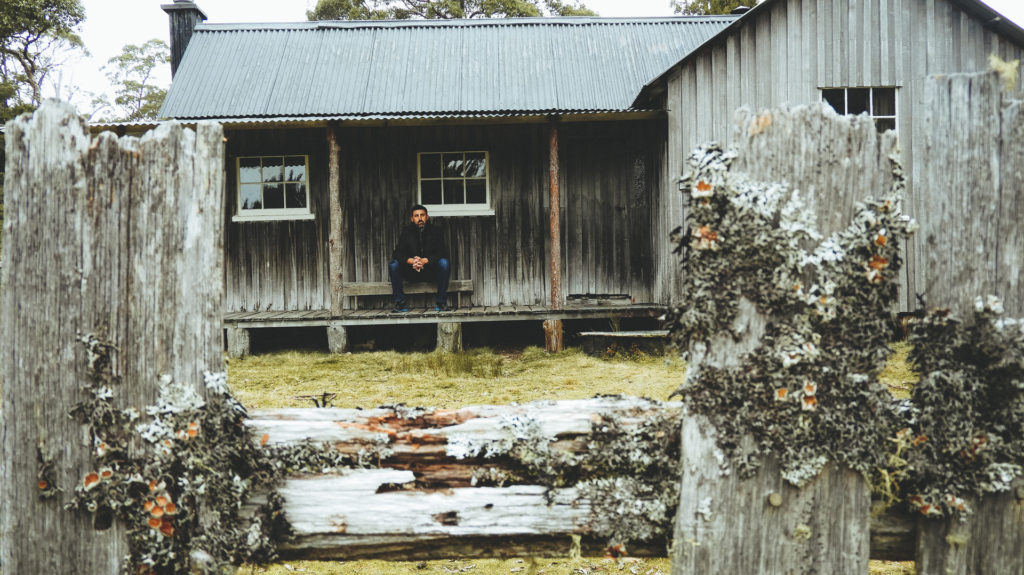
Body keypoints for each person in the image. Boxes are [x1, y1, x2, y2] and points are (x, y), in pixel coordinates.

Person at [389, 204, 451, 312]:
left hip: (430, 271)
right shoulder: (406, 232)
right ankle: (400, 303)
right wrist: (412, 261)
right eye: (416, 216)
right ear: (412, 219)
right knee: (393, 265)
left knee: (444, 263)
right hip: (412, 271)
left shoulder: (436, 231)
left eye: (422, 215)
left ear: (427, 217)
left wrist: (425, 261)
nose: (420, 218)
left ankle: (441, 303)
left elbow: (442, 251)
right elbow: (397, 253)